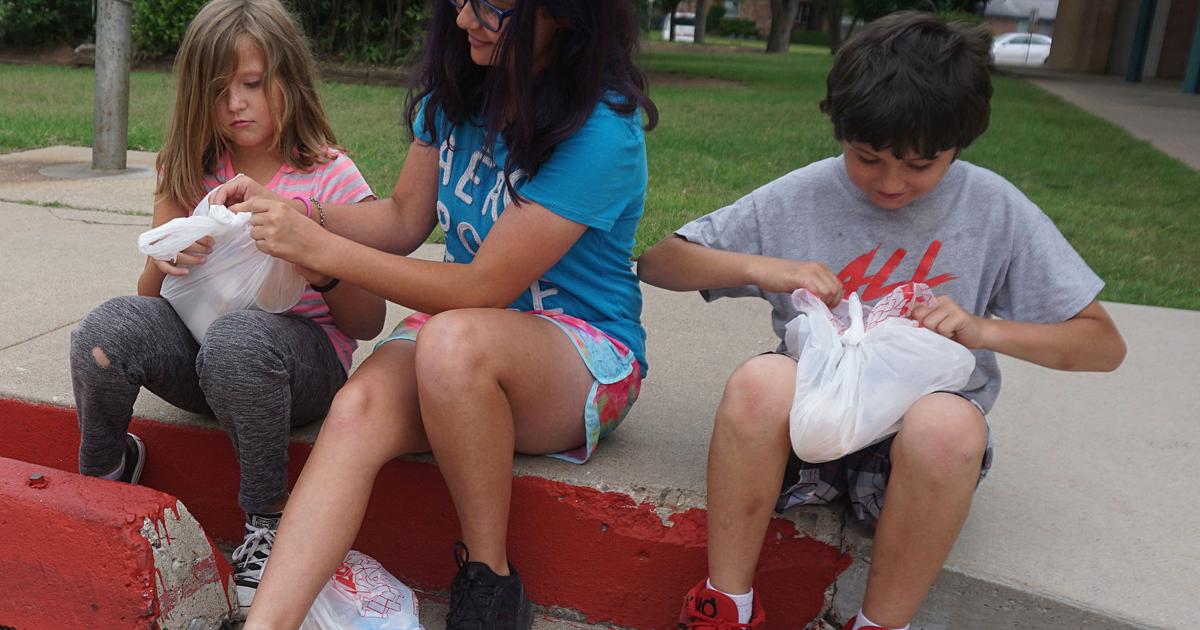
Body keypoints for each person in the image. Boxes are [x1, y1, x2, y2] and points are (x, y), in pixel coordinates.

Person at [636, 12, 1126, 630]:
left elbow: (1101, 344)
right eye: (867, 158)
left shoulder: (993, 209)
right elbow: (661, 263)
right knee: (759, 384)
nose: (892, 182)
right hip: (804, 434)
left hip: (913, 459)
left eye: (922, 164)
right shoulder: (805, 194)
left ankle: (879, 624)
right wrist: (769, 269)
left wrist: (983, 330)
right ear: (841, 130)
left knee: (947, 425)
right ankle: (725, 606)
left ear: (960, 143)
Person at [212, 1, 658, 628]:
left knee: (451, 343)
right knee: (358, 407)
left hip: (580, 353)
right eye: (458, 0)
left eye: (492, 6)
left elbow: (480, 285)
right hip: (459, 337)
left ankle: (491, 583)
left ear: (564, 13)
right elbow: (400, 221)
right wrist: (293, 209)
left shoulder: (603, 134)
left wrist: (322, 250)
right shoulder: (457, 94)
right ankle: (270, 623)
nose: (464, 20)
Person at [68, 0, 382, 619]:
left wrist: (314, 257)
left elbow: (367, 323)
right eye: (218, 90)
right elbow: (149, 303)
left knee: (239, 339)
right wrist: (169, 256)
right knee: (104, 332)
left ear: (288, 79)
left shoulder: (330, 178)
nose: (236, 102)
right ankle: (105, 473)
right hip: (202, 354)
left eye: (252, 83)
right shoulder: (188, 166)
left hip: (300, 369)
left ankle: (268, 521)